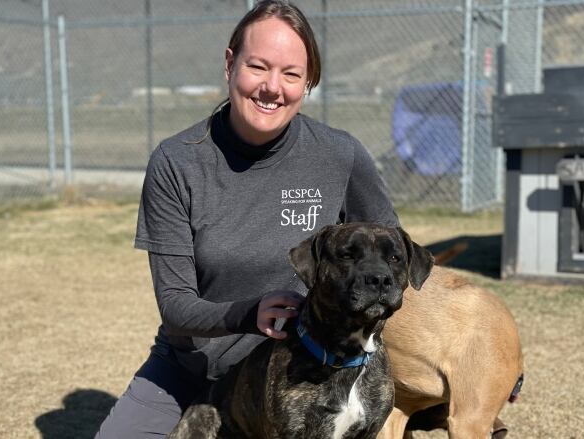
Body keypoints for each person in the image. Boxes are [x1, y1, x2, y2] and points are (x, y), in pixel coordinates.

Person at [95, 1, 399, 437]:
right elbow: (175, 305)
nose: (272, 87)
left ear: (307, 83)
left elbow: (389, 259)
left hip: (300, 363)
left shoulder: (339, 154)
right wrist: (248, 312)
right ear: (229, 63)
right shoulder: (177, 162)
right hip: (193, 369)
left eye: (292, 74)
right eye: (258, 66)